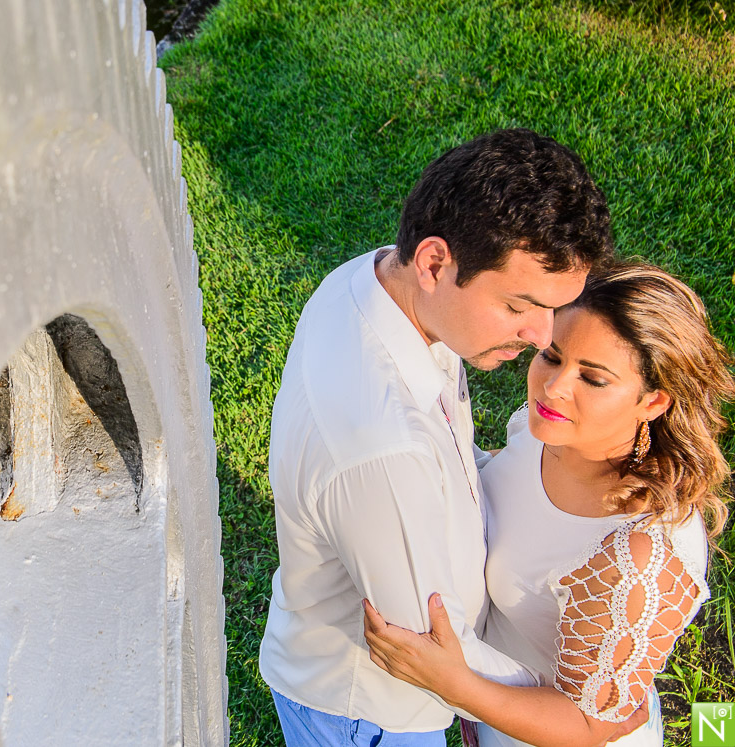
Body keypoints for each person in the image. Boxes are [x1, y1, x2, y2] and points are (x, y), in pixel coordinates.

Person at [258, 127, 626, 746]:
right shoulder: (382, 450)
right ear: (435, 263)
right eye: (520, 306)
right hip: (372, 713)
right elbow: (431, 653)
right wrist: (574, 702)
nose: (543, 336)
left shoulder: (377, 282)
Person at [363, 263, 735, 746]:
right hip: (495, 711)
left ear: (653, 402)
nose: (555, 387)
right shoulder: (547, 432)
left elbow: (590, 725)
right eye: (553, 357)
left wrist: (452, 684)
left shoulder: (640, 557)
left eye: (593, 379)